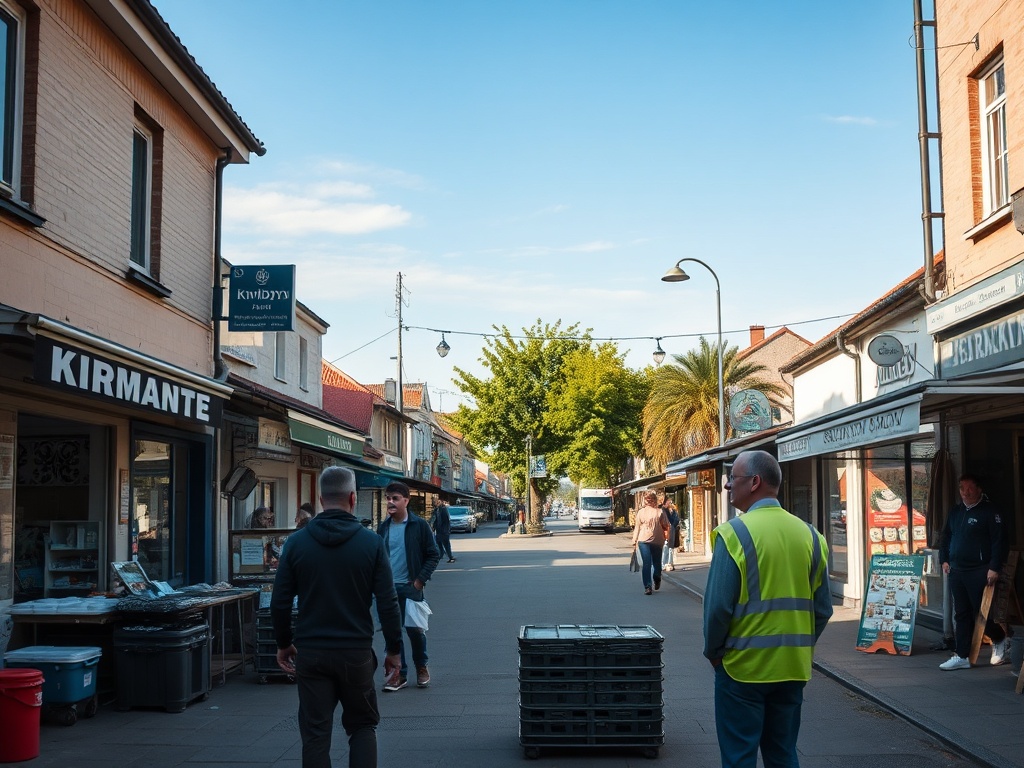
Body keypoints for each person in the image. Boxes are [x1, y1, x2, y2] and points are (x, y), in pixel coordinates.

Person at [703, 450, 832, 768]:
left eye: (733, 479)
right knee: (783, 753)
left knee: (739, 757)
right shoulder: (812, 537)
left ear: (755, 482)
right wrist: (799, 646)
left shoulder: (733, 534)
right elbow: (823, 609)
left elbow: (718, 607)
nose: (728, 486)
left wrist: (714, 652)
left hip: (743, 668)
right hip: (791, 668)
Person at [271, 465, 402, 768]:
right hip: (355, 653)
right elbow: (387, 602)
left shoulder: (296, 543)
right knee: (362, 726)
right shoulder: (371, 543)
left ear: (320, 499)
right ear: (353, 498)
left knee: (316, 733)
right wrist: (393, 649)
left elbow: (279, 601)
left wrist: (283, 642)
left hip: (312, 653)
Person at [937, 473, 1008, 670]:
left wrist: (994, 567)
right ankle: (961, 656)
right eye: (962, 488)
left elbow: (999, 541)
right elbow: (946, 537)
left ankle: (1000, 638)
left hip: (980, 570)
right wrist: (944, 559)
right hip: (957, 570)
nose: (965, 493)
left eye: (969, 488)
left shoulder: (990, 512)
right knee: (961, 613)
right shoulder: (956, 512)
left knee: (980, 613)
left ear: (979, 490)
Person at [377, 481, 440, 690]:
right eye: (388, 498)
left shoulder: (418, 526)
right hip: (388, 590)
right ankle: (399, 674)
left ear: (406, 500)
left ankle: (421, 667)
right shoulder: (383, 528)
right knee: (391, 634)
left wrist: (420, 580)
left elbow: (433, 554)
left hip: (411, 587)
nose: (390, 502)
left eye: (395, 498)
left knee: (415, 631)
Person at [631, 491, 670, 595]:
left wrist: (634, 541)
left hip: (649, 541)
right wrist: (635, 539)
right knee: (652, 563)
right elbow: (666, 525)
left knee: (650, 563)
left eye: (649, 499)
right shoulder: (658, 512)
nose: (648, 501)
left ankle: (652, 582)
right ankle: (651, 583)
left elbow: (637, 527)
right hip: (650, 541)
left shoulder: (657, 512)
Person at [662, 500, 680, 572]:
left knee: (670, 549)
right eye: (669, 503)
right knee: (665, 548)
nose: (670, 504)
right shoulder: (663, 511)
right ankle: (664, 564)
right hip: (665, 532)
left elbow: (676, 520)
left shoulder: (674, 512)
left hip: (672, 531)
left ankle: (670, 564)